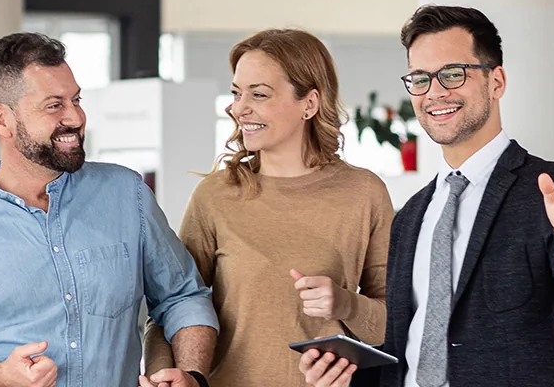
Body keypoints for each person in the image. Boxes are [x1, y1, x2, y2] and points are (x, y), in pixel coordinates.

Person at [299, 5, 554, 387]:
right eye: (420, 79)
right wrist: (343, 376)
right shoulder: (411, 217)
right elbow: (402, 348)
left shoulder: (551, 189)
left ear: (496, 82)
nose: (435, 92)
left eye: (452, 74)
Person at [0, 32, 219, 387]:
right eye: (54, 105)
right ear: (1, 120)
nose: (76, 117)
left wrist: (192, 374)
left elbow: (182, 296)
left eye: (76, 99)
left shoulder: (128, 195)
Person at [141, 28, 393, 387]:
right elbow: (170, 308)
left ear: (309, 103)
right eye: (236, 93)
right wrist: (167, 375)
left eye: (258, 94)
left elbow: (394, 322)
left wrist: (345, 304)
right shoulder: (215, 196)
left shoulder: (365, 193)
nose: (238, 108)